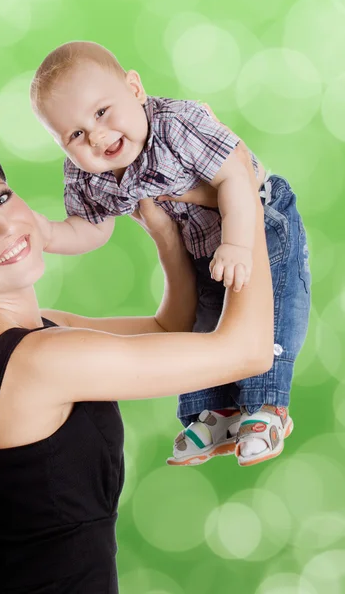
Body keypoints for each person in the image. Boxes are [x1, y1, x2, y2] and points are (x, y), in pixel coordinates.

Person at [0, 131, 273, 593]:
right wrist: (242, 197)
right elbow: (248, 351)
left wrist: (162, 232)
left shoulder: (14, 338)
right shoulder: (38, 359)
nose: (5, 227)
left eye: (1, 197)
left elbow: (168, 331)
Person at [30, 41, 311, 466]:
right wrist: (48, 233)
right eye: (76, 134)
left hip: (259, 221)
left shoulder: (176, 125)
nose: (98, 137)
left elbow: (236, 175)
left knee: (270, 314)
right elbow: (92, 229)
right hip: (201, 247)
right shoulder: (89, 176)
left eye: (102, 112)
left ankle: (267, 406)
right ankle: (214, 413)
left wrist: (237, 244)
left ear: (135, 89)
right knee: (204, 324)